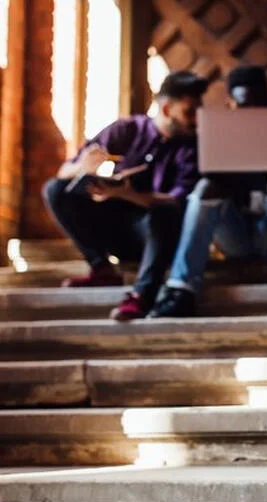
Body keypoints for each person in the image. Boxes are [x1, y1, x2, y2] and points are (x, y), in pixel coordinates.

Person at [43, 70, 207, 321]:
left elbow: (178, 201)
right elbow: (64, 171)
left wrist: (129, 194)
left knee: (163, 213)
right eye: (189, 112)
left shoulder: (192, 148)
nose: (196, 120)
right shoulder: (126, 130)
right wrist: (83, 168)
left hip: (158, 236)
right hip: (113, 226)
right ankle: (101, 268)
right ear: (166, 110)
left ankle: (142, 295)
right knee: (55, 189)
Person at [148, 65, 267, 318]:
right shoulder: (213, 136)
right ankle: (181, 290)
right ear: (231, 103)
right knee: (205, 187)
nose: (248, 114)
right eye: (243, 106)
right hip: (235, 235)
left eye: (255, 107)